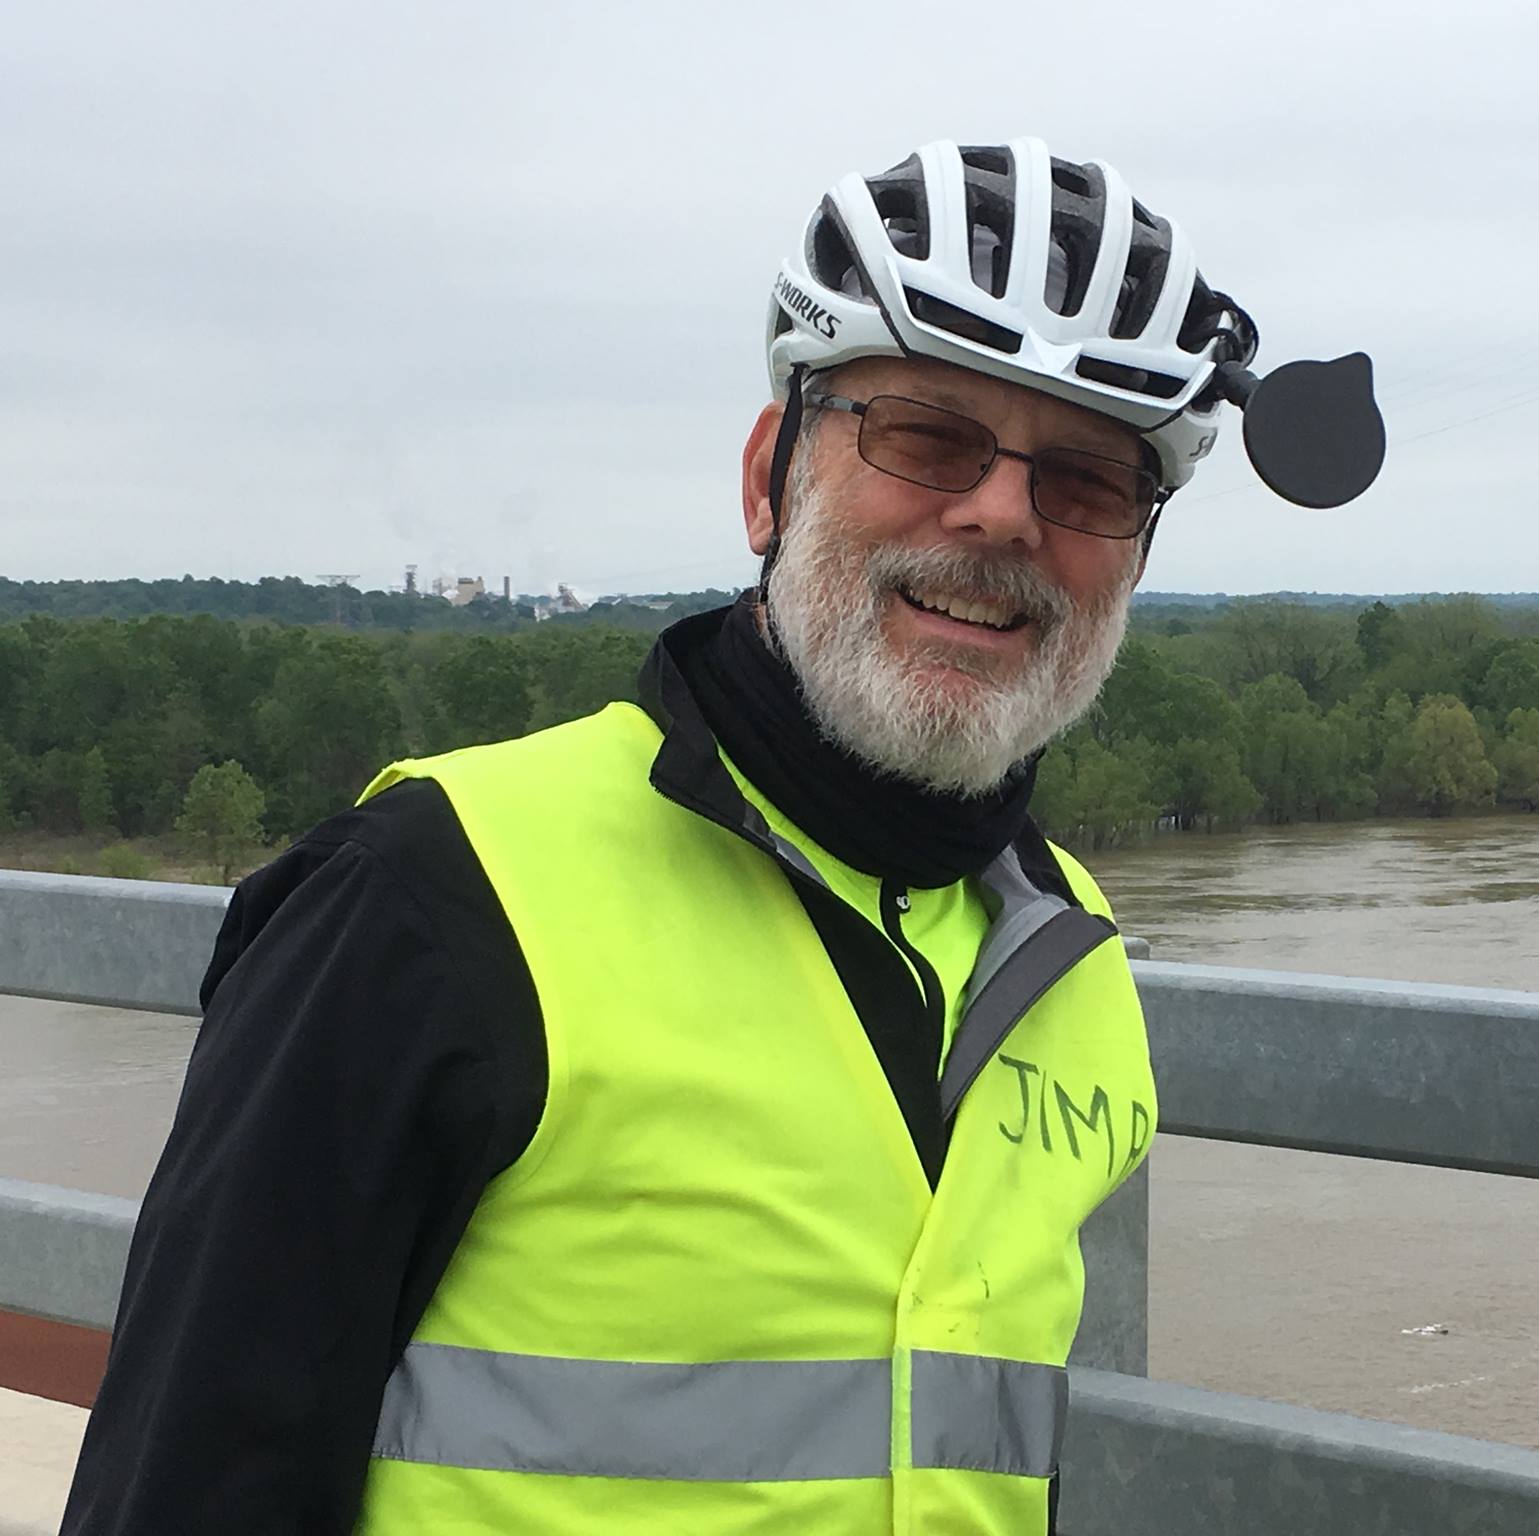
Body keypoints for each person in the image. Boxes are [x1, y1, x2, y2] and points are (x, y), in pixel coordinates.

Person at [61, 136, 1262, 1535]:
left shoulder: (1072, 959)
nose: (1001, 513)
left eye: (1088, 482)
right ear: (770, 478)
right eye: (926, 435)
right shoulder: (427, 905)